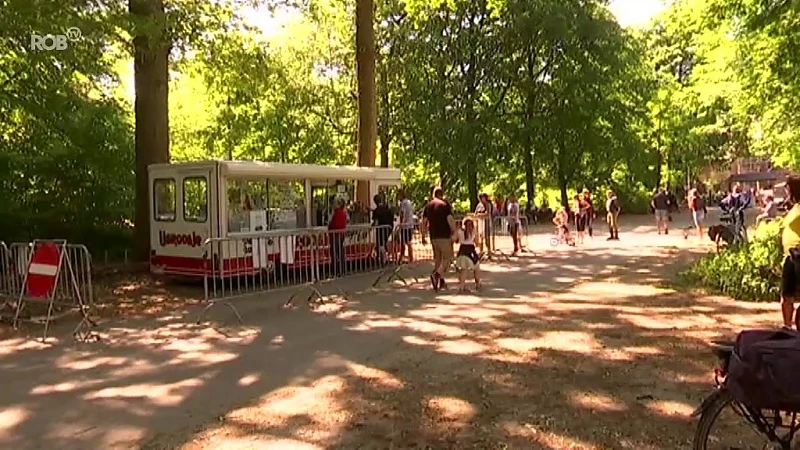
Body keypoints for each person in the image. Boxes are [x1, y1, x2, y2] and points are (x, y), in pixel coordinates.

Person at [422, 187, 457, 291]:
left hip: (433, 236)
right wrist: (454, 231)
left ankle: (440, 282)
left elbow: (424, 222)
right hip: (443, 235)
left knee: (438, 259)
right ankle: (436, 275)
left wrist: (423, 235)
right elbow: (450, 219)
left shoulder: (428, 206)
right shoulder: (444, 206)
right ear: (442, 195)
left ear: (433, 194)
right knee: (448, 257)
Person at [780, 177, 800, 328]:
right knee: (787, 293)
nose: (786, 191)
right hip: (790, 255)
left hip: (799, 254)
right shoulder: (795, 207)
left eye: (787, 188)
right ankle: (787, 327)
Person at [454, 218, 482, 293]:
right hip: (470, 251)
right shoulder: (473, 232)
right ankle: (478, 283)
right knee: (476, 267)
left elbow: (454, 239)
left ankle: (461, 286)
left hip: (462, 250)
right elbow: (477, 242)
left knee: (464, 269)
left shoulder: (459, 231)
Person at [328, 197, 349, 276]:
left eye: (334, 203)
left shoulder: (337, 213)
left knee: (335, 253)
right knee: (340, 253)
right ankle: (342, 270)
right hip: (341, 235)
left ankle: (336, 271)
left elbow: (334, 225)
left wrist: (329, 225)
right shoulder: (343, 213)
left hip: (335, 235)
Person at [372, 194, 394, 265]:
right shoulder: (387, 208)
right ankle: (384, 257)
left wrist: (372, 226)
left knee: (381, 244)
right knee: (383, 242)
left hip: (381, 229)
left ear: (375, 202)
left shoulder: (376, 210)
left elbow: (376, 222)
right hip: (389, 228)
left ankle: (384, 259)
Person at [397, 189, 415, 263]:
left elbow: (402, 214)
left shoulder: (403, 203)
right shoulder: (409, 202)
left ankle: (403, 258)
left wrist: (400, 224)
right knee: (408, 242)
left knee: (404, 242)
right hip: (410, 224)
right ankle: (408, 258)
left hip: (405, 226)